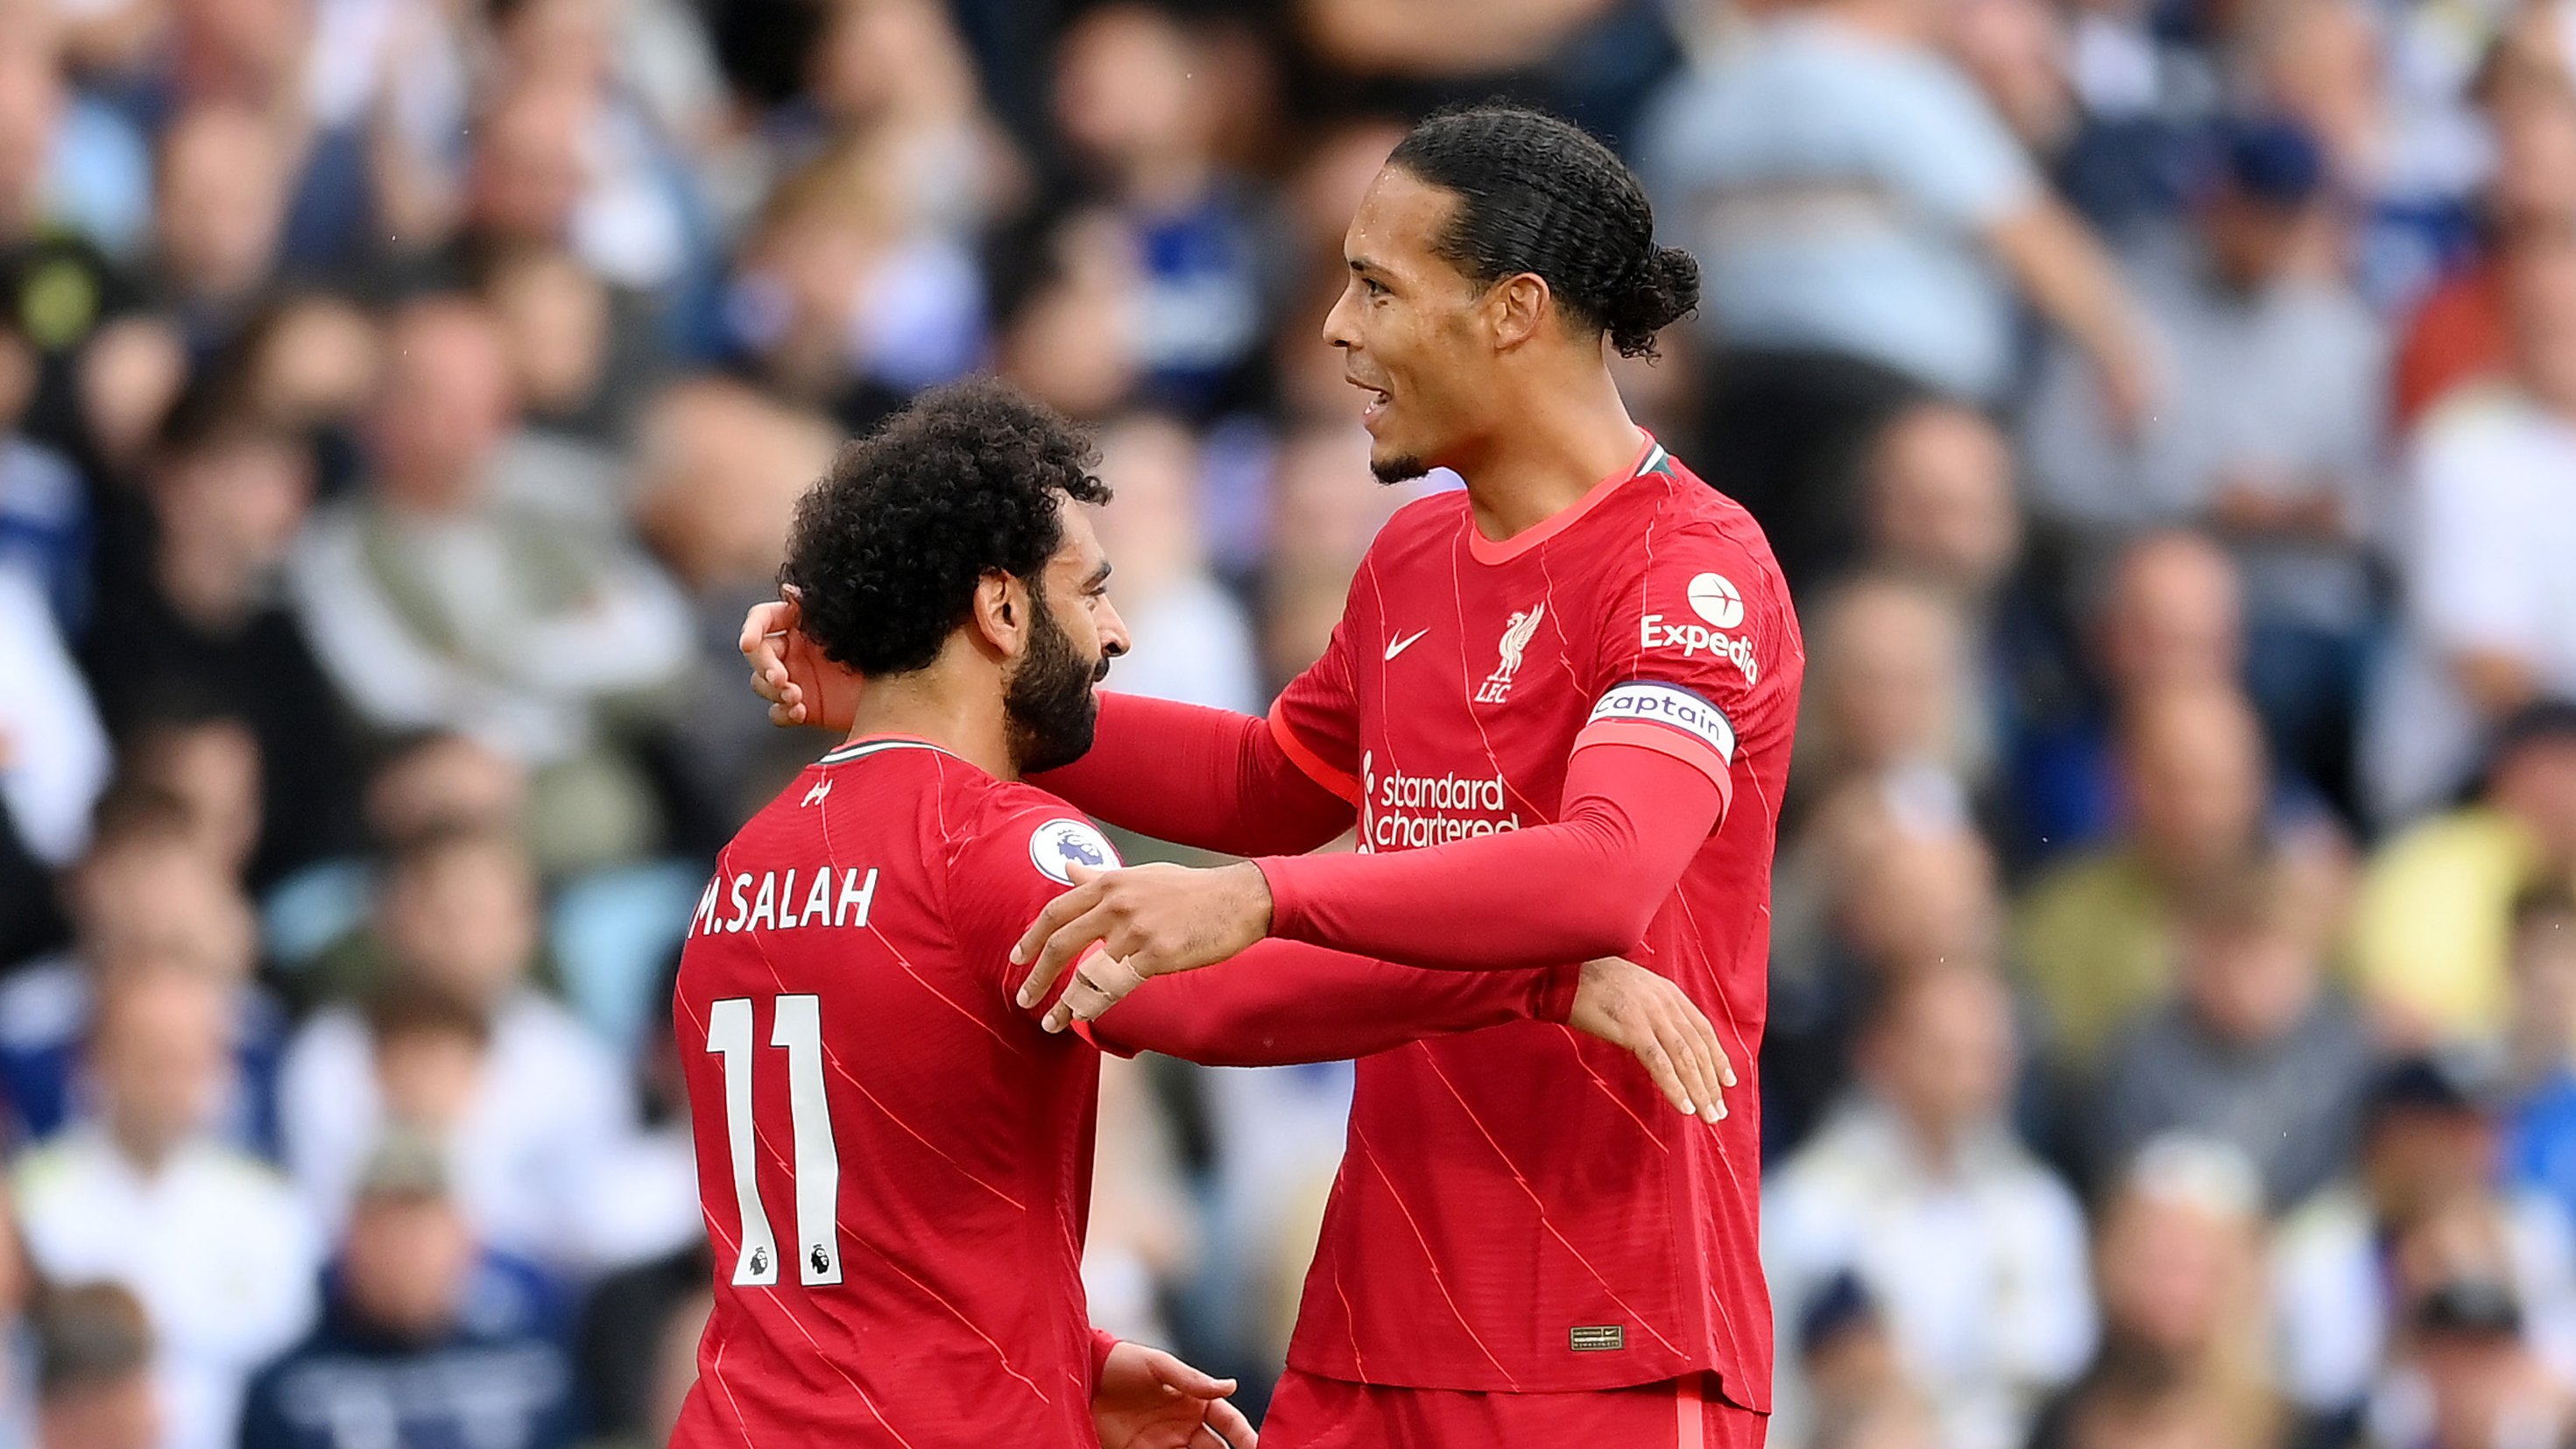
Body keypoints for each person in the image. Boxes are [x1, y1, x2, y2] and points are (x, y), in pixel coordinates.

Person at [748, 102, 1800, 1445]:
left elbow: (1608, 873)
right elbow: (1272, 780)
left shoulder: (1691, 570)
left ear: (1513, 310)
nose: (1336, 329)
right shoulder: (1412, 556)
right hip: (1373, 1321)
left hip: (1604, 1335)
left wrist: (1260, 896)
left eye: (1377, 287)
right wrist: (918, 680)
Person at [233, 1132, 580, 1449]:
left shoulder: (534, 1371)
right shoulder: (289, 1392)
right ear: (348, 1241)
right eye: (386, 1229)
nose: (405, 1253)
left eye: (423, 1231)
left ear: (467, 1239)